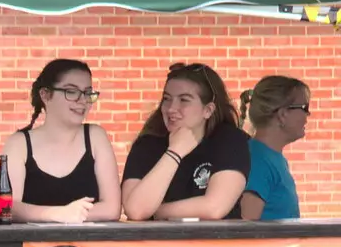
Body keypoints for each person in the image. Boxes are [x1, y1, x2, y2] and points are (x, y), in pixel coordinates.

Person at [122, 62, 249, 221]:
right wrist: (174, 153)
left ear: (208, 110)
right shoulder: (147, 144)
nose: (171, 108)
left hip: (215, 243)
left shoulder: (230, 140)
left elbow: (214, 208)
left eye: (184, 100)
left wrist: (157, 211)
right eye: (167, 99)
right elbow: (136, 211)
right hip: (157, 244)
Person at [0, 58, 121, 223]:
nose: (82, 100)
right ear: (45, 95)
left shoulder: (95, 137)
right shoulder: (19, 144)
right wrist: (56, 214)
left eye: (87, 92)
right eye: (71, 91)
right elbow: (7, 206)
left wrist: (71, 215)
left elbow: (112, 208)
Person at [239, 75, 309, 221]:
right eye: (304, 108)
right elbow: (246, 227)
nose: (308, 115)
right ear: (282, 114)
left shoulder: (271, 157)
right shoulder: (258, 161)